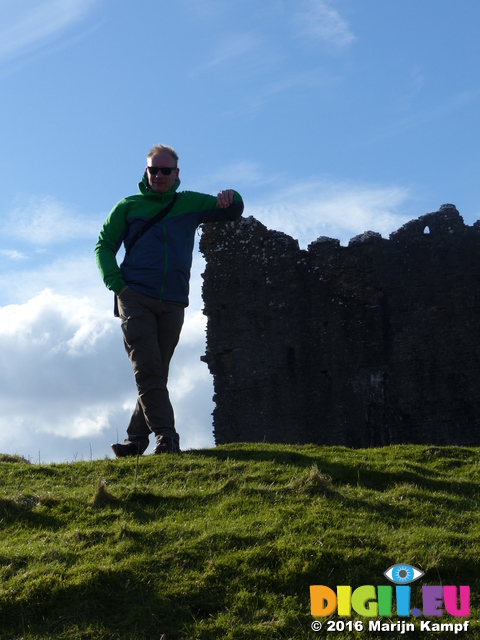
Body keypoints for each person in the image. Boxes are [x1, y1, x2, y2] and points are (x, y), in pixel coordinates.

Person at [95, 144, 244, 457]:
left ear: (176, 174)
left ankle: (135, 442)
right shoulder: (128, 205)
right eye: (154, 170)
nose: (159, 175)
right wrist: (119, 287)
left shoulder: (188, 203)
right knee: (147, 370)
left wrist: (232, 195)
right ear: (146, 171)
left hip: (174, 302)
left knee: (156, 373)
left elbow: (231, 210)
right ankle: (167, 439)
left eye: (166, 171)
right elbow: (104, 246)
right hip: (134, 298)